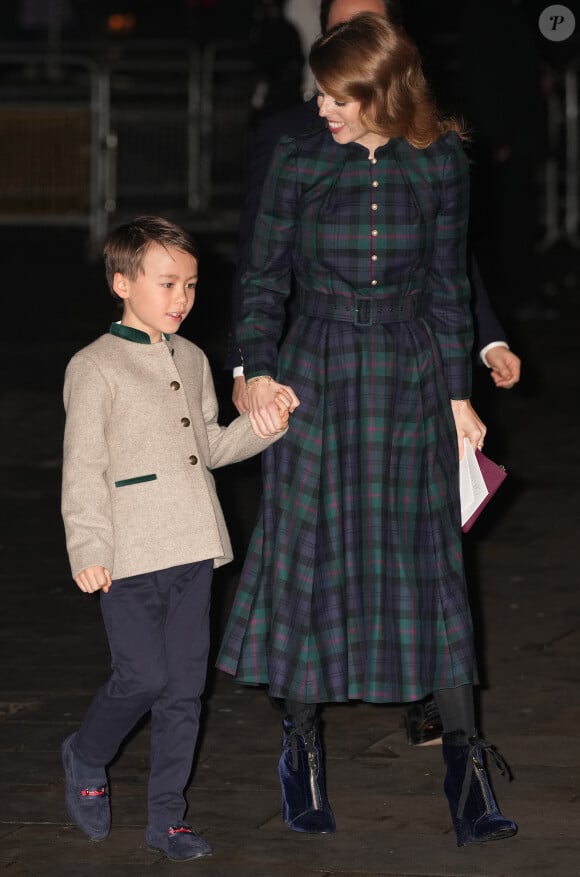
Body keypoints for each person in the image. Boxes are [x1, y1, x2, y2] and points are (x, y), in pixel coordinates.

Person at [217, 13, 517, 847]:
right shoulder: (297, 159)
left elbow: (450, 287)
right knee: (308, 554)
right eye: (318, 93)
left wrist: (458, 394)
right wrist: (253, 369)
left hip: (410, 371)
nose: (321, 108)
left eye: (336, 96)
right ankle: (302, 749)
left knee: (431, 559)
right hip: (314, 372)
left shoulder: (442, 162)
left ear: (381, 93)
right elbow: (263, 273)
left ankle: (467, 765)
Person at [60, 216, 293, 862]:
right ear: (121, 283)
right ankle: (86, 753)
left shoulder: (191, 359)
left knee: (184, 689)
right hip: (129, 554)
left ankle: (168, 818)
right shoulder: (94, 367)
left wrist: (266, 426)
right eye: (167, 283)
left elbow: (212, 446)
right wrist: (88, 547)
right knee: (141, 676)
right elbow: (82, 470)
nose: (182, 298)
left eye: (189, 285)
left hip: (194, 547)